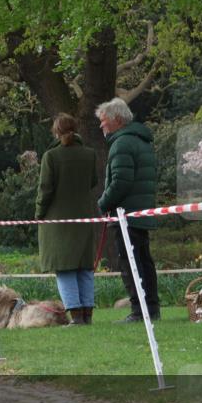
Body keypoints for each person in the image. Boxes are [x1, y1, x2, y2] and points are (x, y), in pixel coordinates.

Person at [95, 97, 161, 323]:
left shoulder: (122, 143)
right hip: (140, 212)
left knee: (130, 263)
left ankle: (138, 310)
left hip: (127, 214)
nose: (101, 126)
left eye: (104, 121)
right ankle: (151, 308)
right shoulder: (141, 141)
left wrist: (103, 202)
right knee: (144, 261)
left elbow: (121, 182)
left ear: (116, 120)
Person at [36, 113, 98, 325]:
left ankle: (76, 316)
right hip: (84, 217)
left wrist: (39, 214)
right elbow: (93, 181)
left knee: (65, 268)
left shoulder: (51, 156)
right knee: (84, 267)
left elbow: (45, 189)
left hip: (58, 221)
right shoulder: (90, 154)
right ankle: (87, 315)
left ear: (56, 132)